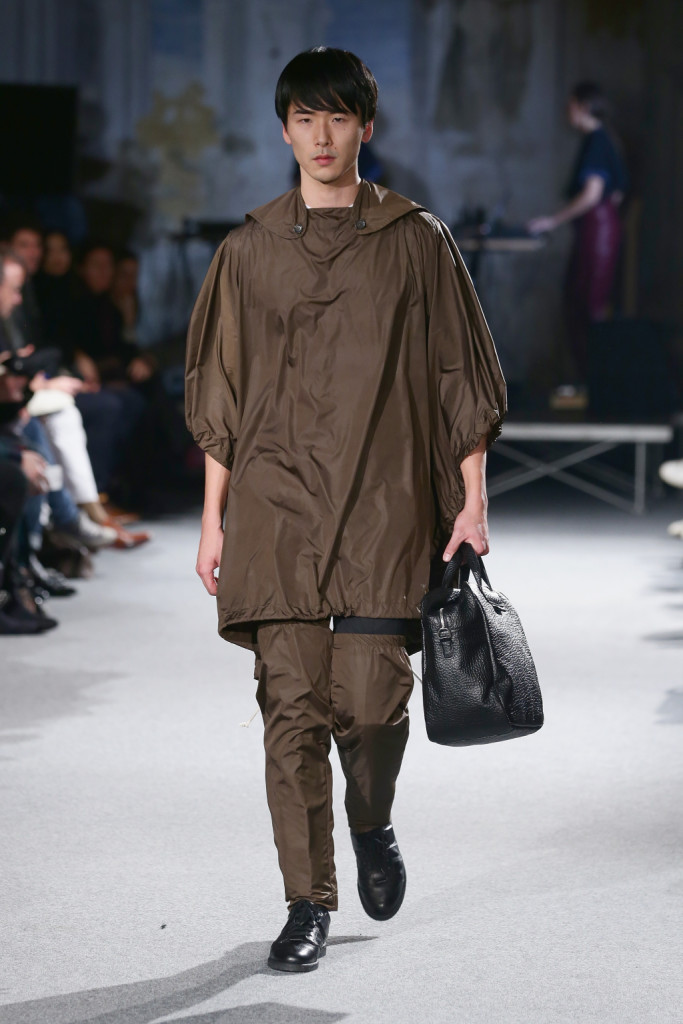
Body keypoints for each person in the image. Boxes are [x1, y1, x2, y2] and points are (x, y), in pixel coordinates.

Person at [186, 47, 506, 973]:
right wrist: (211, 519)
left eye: (337, 117)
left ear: (365, 126)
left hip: (382, 498)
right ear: (284, 129)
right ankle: (306, 902)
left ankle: (371, 820)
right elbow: (221, 390)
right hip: (275, 504)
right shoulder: (248, 249)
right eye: (304, 118)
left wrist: (472, 501)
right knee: (289, 712)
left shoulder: (415, 239)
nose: (320, 136)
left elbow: (457, 375)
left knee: (368, 706)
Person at [528, 81, 628, 388]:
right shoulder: (601, 139)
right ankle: (593, 384)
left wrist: (552, 221)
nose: (567, 111)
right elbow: (616, 195)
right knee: (581, 307)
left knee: (587, 310)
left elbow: (593, 195)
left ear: (583, 107)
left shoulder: (598, 140)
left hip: (597, 232)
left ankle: (597, 386)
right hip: (597, 230)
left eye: (570, 105)